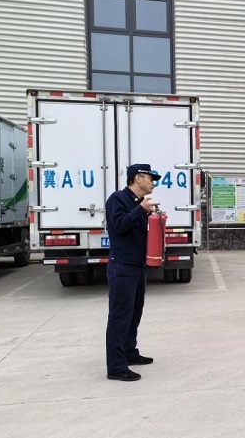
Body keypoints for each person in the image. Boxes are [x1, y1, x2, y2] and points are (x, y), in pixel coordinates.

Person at [105, 163, 162, 382]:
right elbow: (119, 226)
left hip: (137, 265)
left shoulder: (139, 203)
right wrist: (141, 210)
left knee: (134, 313)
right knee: (120, 316)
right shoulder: (118, 199)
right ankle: (116, 367)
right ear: (138, 178)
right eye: (150, 178)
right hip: (122, 266)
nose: (153, 182)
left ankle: (129, 352)